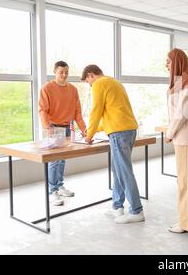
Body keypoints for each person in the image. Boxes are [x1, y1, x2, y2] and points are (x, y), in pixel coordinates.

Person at [81, 64, 144, 224]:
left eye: (88, 82)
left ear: (90, 75)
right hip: (129, 129)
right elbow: (112, 114)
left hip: (119, 133)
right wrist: (92, 131)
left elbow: (96, 111)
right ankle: (117, 206)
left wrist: (89, 135)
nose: (90, 85)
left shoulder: (99, 84)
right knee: (118, 170)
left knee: (123, 171)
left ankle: (136, 211)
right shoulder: (115, 82)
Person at [39, 61, 87, 206]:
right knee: (54, 160)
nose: (64, 75)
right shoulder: (47, 88)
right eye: (61, 72)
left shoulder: (72, 89)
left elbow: (77, 111)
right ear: (55, 72)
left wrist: (84, 129)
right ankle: (52, 191)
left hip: (67, 127)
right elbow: (42, 110)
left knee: (62, 158)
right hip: (53, 127)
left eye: (66, 72)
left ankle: (60, 186)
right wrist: (48, 126)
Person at [165, 48, 188, 234]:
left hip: (185, 137)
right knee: (183, 180)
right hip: (183, 137)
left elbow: (182, 113)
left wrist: (169, 133)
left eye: (169, 61)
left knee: (184, 182)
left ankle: (187, 224)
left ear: (178, 62)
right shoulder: (182, 82)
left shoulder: (187, 83)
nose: (166, 65)